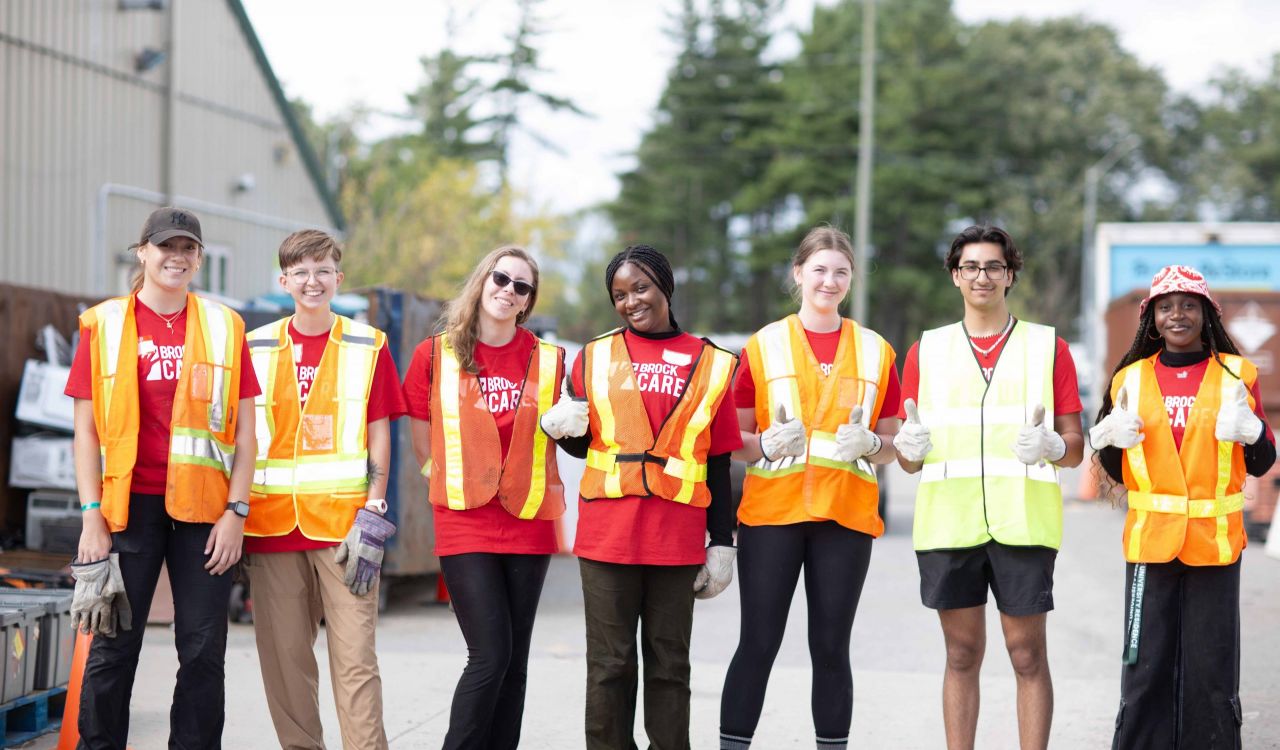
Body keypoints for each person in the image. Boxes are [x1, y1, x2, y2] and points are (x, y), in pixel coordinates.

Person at [65, 207, 260, 749]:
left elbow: (246, 435)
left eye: (188, 248)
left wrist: (235, 513)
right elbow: (85, 433)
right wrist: (91, 517)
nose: (177, 257)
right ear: (142, 252)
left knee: (202, 650)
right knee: (113, 646)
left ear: (198, 257)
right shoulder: (103, 325)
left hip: (204, 512)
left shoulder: (225, 327)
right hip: (127, 509)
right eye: (166, 247)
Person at [540, 244, 741, 750]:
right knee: (609, 666)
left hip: (675, 540)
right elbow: (588, 444)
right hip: (607, 538)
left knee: (670, 665)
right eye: (619, 295)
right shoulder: (594, 355)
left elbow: (716, 462)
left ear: (665, 286)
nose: (631, 302)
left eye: (641, 288)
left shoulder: (713, 363)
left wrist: (723, 542)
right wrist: (564, 431)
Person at [895, 224, 1084, 750]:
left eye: (994, 267)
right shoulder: (925, 352)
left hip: (1023, 522)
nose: (983, 276)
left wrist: (1050, 445)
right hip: (948, 524)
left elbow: (1075, 447)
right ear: (956, 276)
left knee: (1027, 654)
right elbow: (909, 461)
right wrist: (906, 446)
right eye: (971, 267)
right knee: (961, 654)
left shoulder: (1049, 347)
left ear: (1010, 275)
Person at [718, 226, 901, 750]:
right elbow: (735, 440)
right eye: (819, 269)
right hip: (772, 516)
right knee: (757, 643)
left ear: (851, 280)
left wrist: (871, 443)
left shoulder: (876, 351)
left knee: (830, 647)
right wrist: (767, 445)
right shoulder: (764, 345)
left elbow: (893, 447)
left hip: (844, 518)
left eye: (840, 271)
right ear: (798, 274)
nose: (829, 280)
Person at [1090, 265, 1275, 750]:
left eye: (1188, 305)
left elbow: (1262, 462)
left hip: (1214, 546)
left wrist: (1252, 432)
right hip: (1150, 544)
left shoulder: (1237, 376)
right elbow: (1117, 468)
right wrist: (1110, 441)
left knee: (1211, 666)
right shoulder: (1129, 379)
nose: (1178, 314)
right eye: (1166, 306)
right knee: (1144, 664)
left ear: (1206, 315)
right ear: (1151, 318)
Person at [241, 230, 406, 750]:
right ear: (283, 279)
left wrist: (374, 508)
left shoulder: (367, 343)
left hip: (345, 529)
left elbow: (380, 430)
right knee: (285, 662)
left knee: (356, 659)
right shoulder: (255, 346)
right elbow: (242, 435)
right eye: (301, 271)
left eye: (323, 269)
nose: (312, 281)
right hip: (271, 527)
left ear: (338, 277)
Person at [403, 245, 567, 750]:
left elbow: (569, 431)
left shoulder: (551, 360)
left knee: (514, 660)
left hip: (529, 517)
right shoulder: (435, 354)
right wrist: (450, 480)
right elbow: (419, 430)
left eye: (521, 287)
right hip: (464, 519)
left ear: (527, 302)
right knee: (490, 653)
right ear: (482, 281)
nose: (508, 290)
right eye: (502, 278)